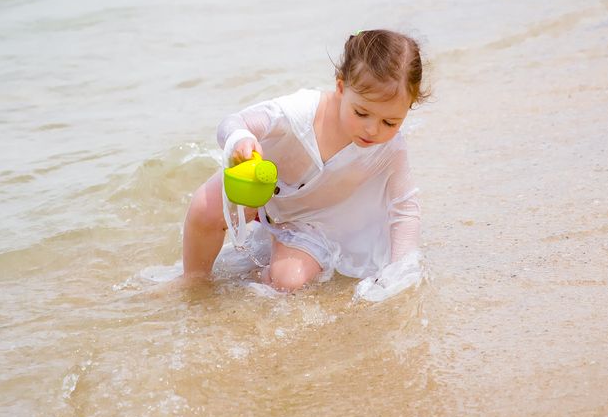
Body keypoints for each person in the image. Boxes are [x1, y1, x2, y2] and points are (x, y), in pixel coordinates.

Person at [182, 29, 429, 292]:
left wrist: (401, 270)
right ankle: (193, 281)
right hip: (260, 191)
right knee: (204, 207)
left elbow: (405, 208)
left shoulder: (390, 148)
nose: (373, 129)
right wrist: (241, 138)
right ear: (341, 87)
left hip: (312, 222)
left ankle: (257, 274)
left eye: (390, 122)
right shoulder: (302, 113)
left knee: (286, 281)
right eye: (361, 112)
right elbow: (232, 122)